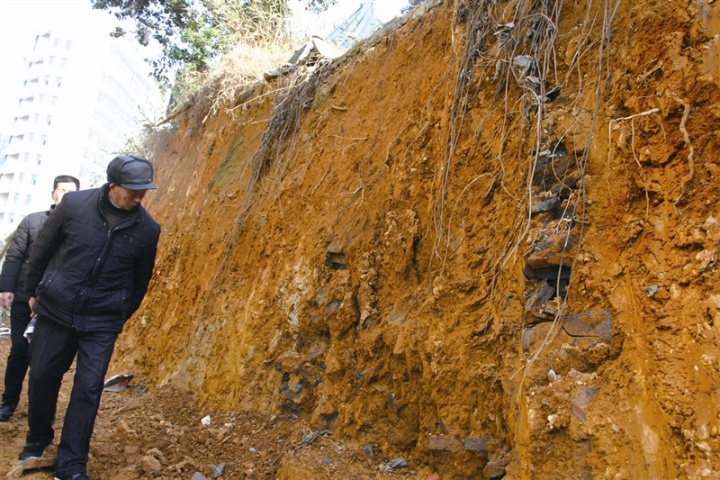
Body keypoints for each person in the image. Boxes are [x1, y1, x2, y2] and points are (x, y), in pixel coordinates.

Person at [17, 155, 161, 480]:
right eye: (133, 190)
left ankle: (71, 464)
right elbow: (42, 249)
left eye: (144, 190)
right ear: (113, 185)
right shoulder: (74, 205)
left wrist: (119, 314)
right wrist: (32, 293)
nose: (139, 196)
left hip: (102, 321)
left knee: (88, 389)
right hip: (55, 309)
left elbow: (140, 282)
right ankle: (37, 440)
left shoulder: (148, 229)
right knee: (41, 376)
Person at [0, 175, 81, 422]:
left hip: (54, 304)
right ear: (52, 194)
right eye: (62, 190)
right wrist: (6, 288)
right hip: (25, 297)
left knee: (42, 358)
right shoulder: (33, 221)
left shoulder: (78, 227)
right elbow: (14, 257)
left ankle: (38, 412)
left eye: (72, 192)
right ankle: (8, 402)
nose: (66, 195)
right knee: (20, 350)